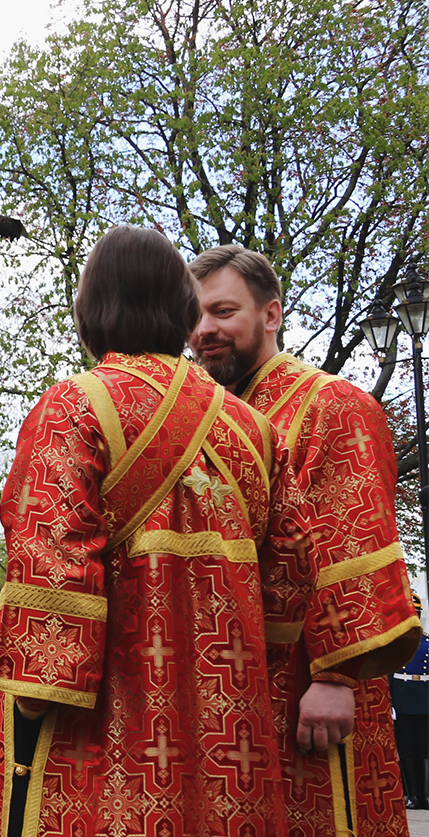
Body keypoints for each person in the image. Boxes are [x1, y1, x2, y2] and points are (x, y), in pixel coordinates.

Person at [0, 226, 302, 835]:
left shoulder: (76, 406)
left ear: (92, 307)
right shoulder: (254, 429)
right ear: (182, 310)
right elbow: (287, 577)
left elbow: (50, 558)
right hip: (230, 720)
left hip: (106, 721)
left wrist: (35, 696)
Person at [191, 244, 421, 836]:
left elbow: (354, 540)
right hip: (231, 686)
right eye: (193, 317)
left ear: (271, 316)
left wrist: (336, 678)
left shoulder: (334, 405)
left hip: (310, 683)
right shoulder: (206, 416)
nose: (203, 331)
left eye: (221, 311)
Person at [392, 593, 429, 809]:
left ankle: (424, 796)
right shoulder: (396, 643)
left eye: (417, 613)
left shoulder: (427, 642)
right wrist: (389, 702)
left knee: (424, 748)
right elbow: (386, 673)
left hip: (424, 699)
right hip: (402, 699)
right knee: (406, 749)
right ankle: (411, 796)